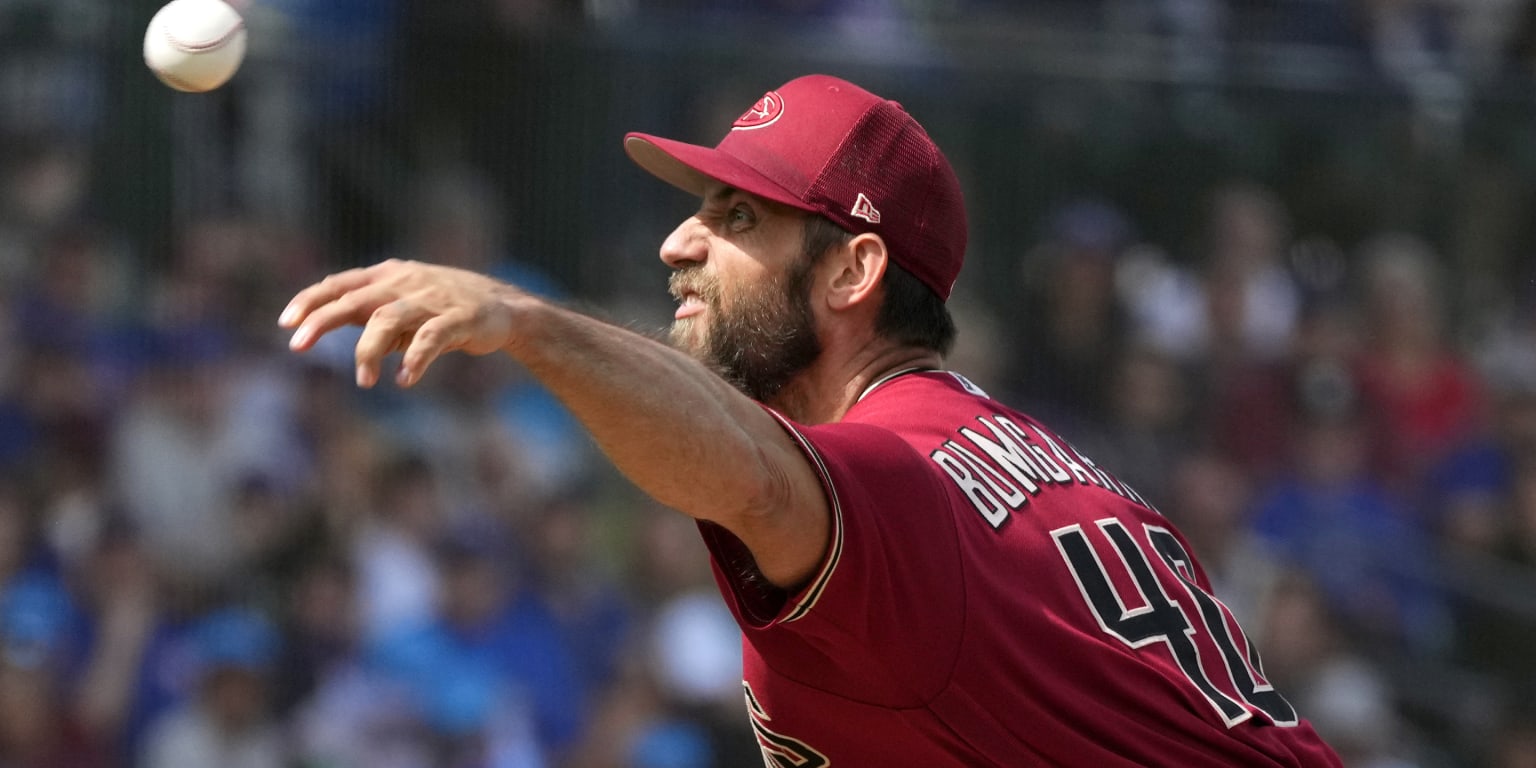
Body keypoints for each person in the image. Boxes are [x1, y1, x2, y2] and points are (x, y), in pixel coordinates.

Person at [280, 74, 1343, 766]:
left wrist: (531, 327)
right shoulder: (1050, 469)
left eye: (735, 217)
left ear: (853, 269)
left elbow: (749, 472)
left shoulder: (895, 474)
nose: (677, 246)